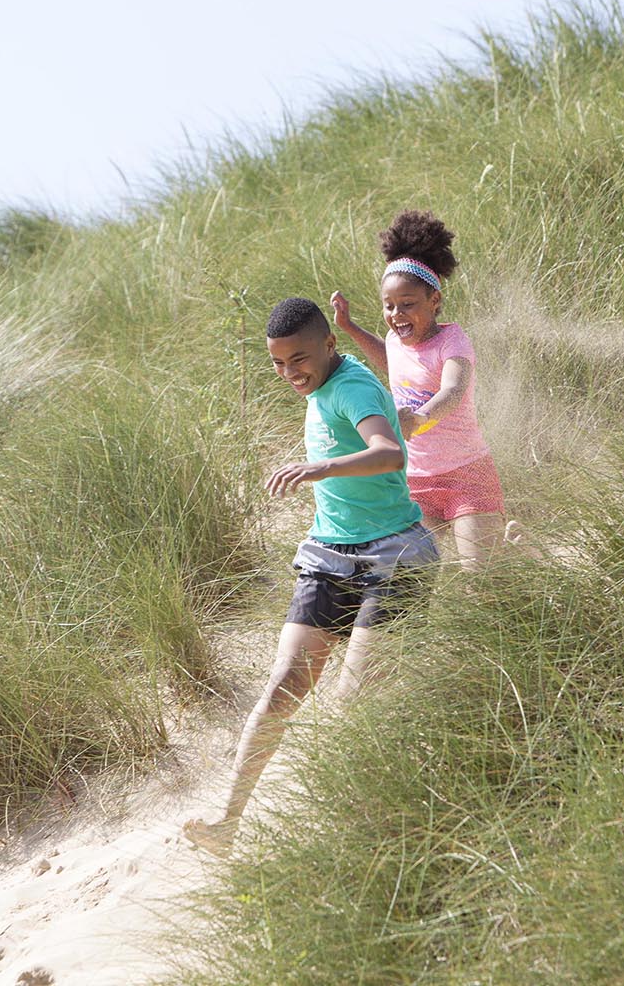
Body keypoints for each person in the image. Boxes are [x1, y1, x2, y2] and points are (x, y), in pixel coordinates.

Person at [183, 296, 437, 856]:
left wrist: (321, 467)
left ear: (329, 344)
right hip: (329, 555)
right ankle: (227, 822)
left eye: (298, 358)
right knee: (283, 688)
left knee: (355, 701)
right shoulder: (318, 385)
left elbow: (390, 453)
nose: (289, 372)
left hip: (396, 556)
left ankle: (366, 825)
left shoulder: (352, 388)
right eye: (277, 363)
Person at [330, 210, 512, 569]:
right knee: (411, 575)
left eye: (408, 304)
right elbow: (393, 363)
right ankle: (510, 543)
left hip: (467, 476)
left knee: (481, 579)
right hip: (415, 482)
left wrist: (419, 418)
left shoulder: (452, 341)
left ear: (435, 301)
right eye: (389, 306)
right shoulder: (396, 341)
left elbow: (453, 391)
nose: (396, 314)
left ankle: (517, 545)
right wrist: (349, 327)